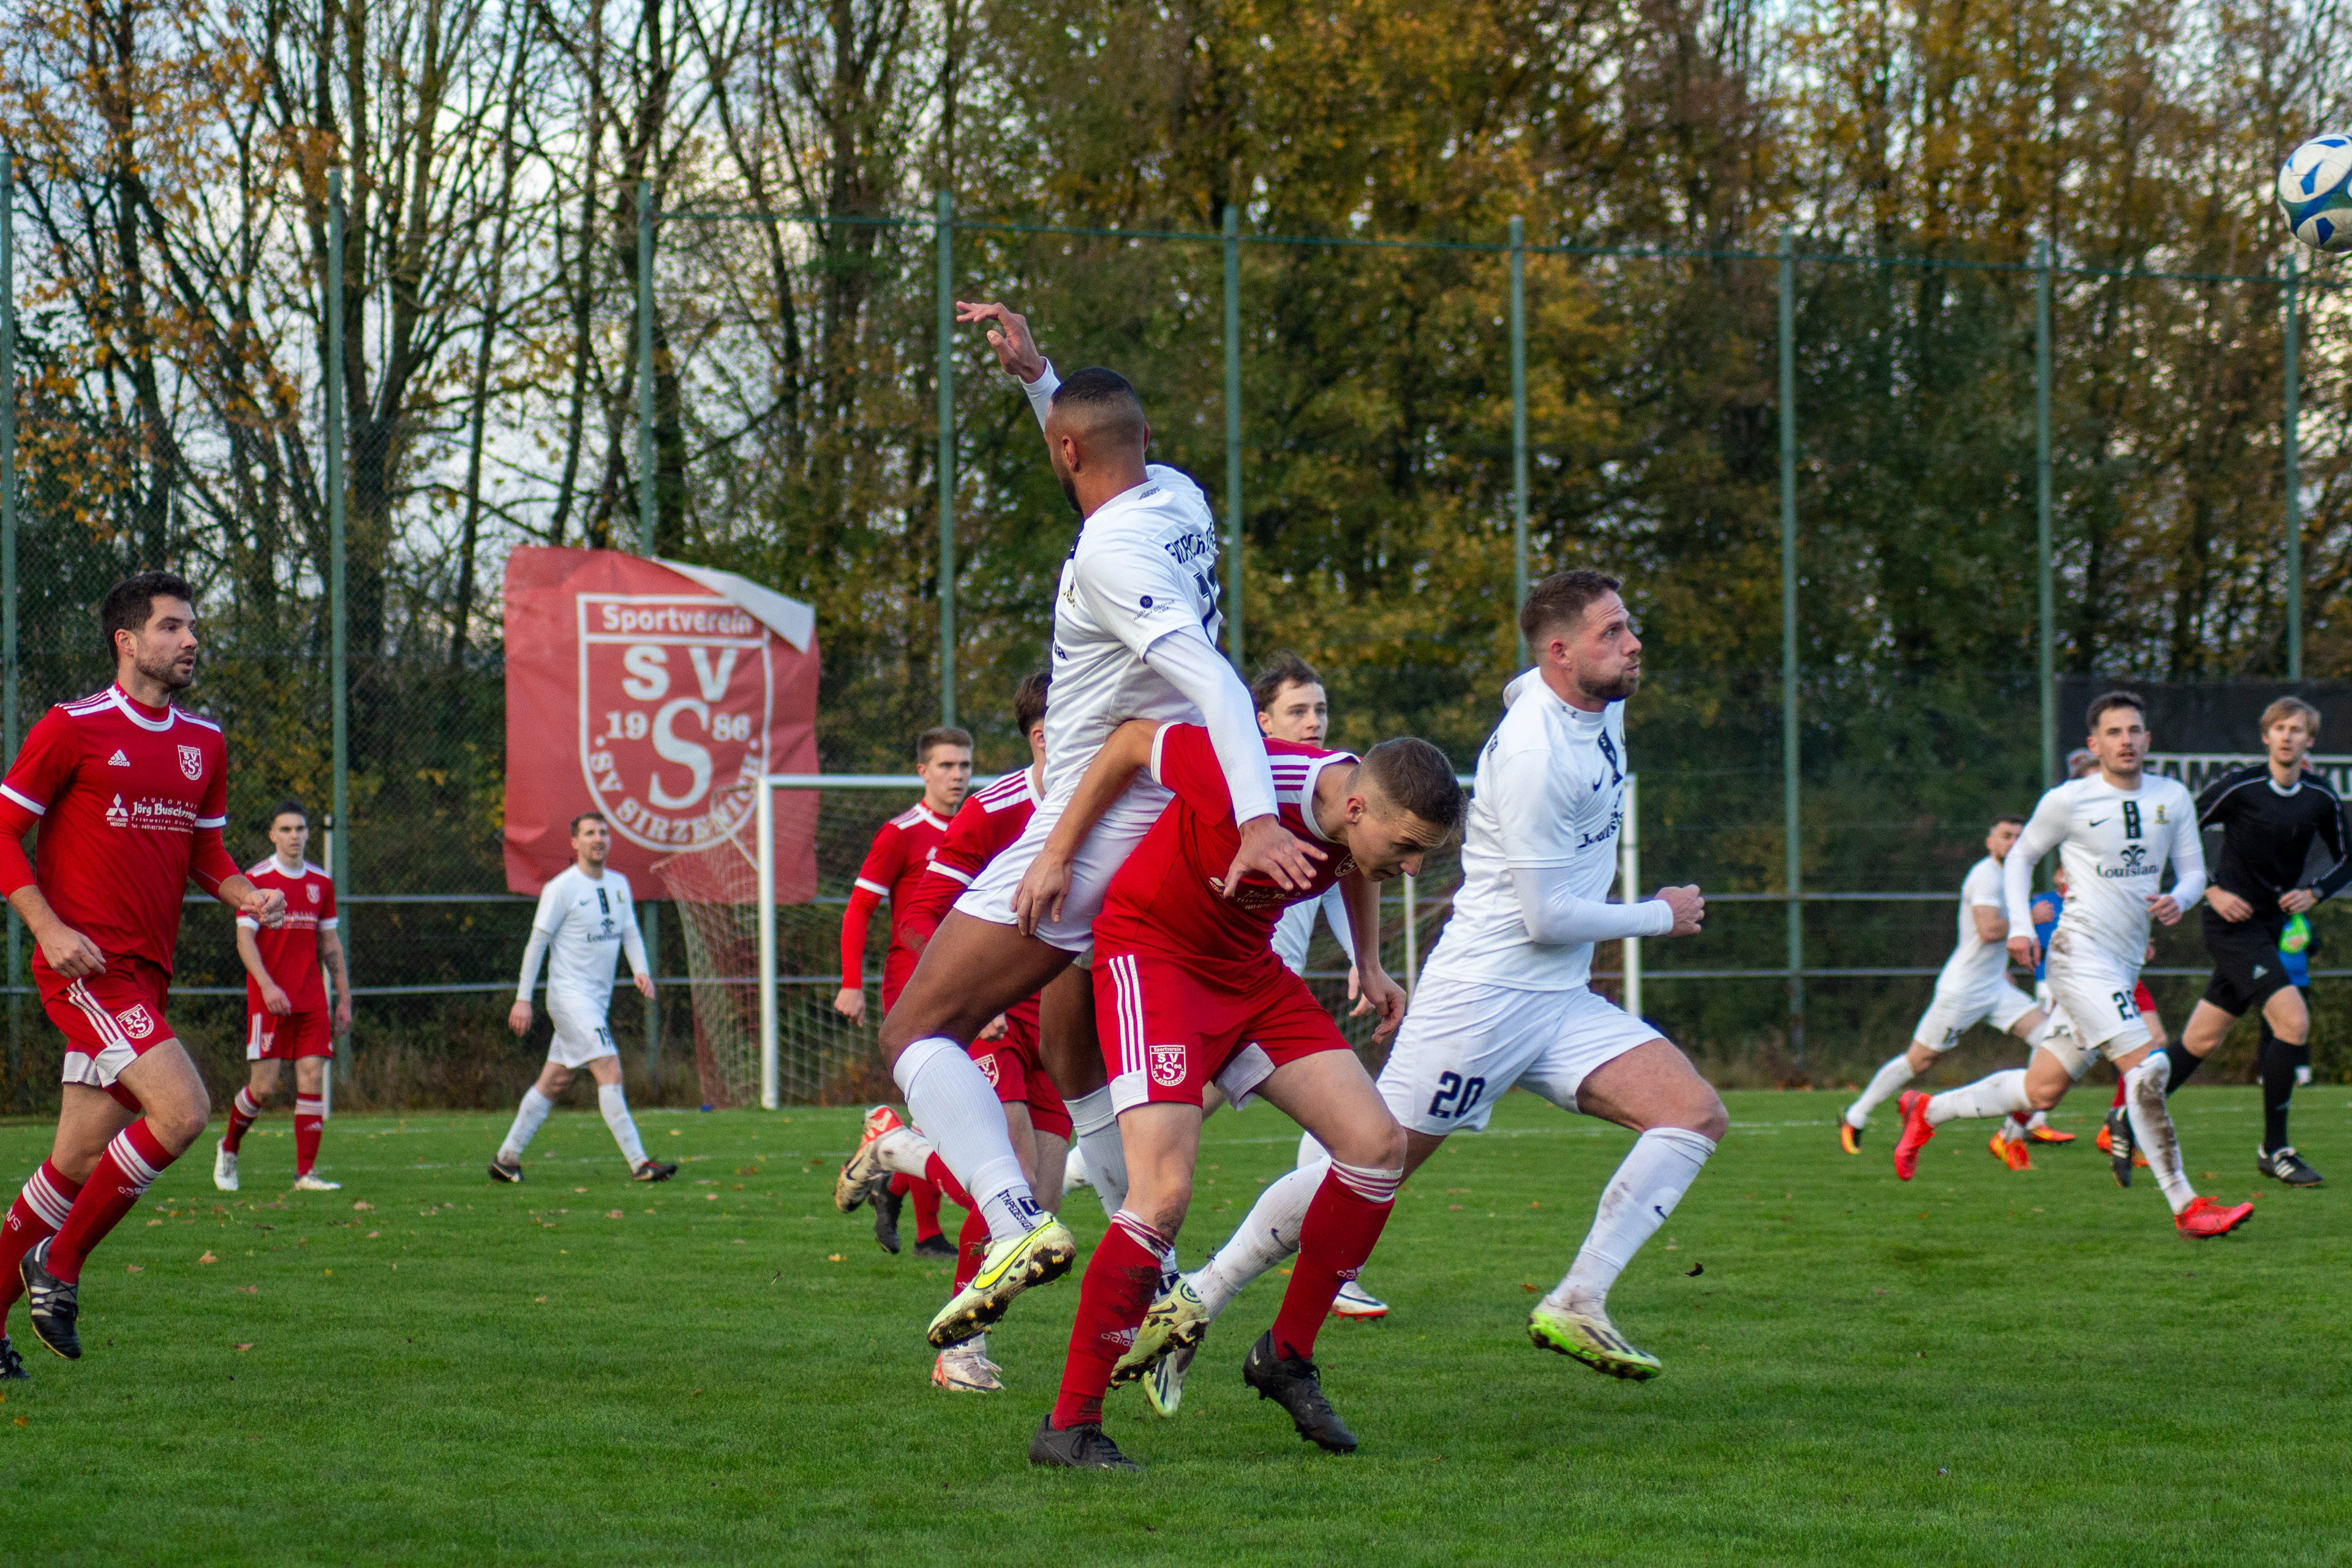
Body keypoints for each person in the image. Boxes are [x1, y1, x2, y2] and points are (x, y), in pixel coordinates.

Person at [843, 302, 1321, 1353]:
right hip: (1158, 836)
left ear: (1070, 452)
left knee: (914, 1031)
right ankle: (1155, 1275)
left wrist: (1251, 821)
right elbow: (1090, 452)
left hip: (1095, 836)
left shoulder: (1110, 553)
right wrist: (1037, 375)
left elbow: (1214, 681)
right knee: (1077, 1066)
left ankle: (1015, 1221)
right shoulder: (1177, 497)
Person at [1127, 570, 1721, 1406]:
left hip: (1557, 1001)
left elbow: (1539, 690)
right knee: (1373, 1167)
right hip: (1484, 1000)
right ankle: (1201, 1294)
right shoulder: (1530, 756)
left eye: (1628, 627)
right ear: (1561, 654)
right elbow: (1547, 917)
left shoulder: (1593, 706)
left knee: (1693, 1114)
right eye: (1611, 633)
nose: (1632, 645)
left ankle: (1579, 1299)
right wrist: (1659, 916)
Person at [1019, 715, 1452, 1468]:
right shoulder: (1256, 773)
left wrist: (1371, 962)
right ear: (1357, 808)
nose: (1412, 868)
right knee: (1162, 1196)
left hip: (1247, 974)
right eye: (1406, 848)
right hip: (1154, 961)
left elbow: (1355, 866)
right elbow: (1127, 741)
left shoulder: (1355, 810)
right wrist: (1056, 856)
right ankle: (1069, 1424)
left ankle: (1284, 1354)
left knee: (1377, 1149)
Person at [0, 572, 288, 1366]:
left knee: (75, 1159)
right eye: (170, 628)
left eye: (192, 626)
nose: (190, 639)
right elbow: (2, 834)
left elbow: (205, 853)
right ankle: (56, 1268)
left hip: (145, 973)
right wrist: (48, 927)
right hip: (87, 970)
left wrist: (244, 892)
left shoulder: (206, 742)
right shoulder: (72, 728)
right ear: (127, 643)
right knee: (185, 1109)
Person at [1889, 693, 2252, 1238]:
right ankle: (2187, 1206)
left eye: (2134, 731)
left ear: (2148, 740)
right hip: (2078, 957)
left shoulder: (2172, 797)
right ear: (2094, 744)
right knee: (2149, 1067)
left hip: (2122, 964)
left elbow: (2194, 872)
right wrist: (2017, 926)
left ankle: (1927, 1111)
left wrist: (2182, 896)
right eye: (2113, 732)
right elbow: (2022, 857)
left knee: (2042, 1092)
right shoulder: (2069, 800)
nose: (2125, 740)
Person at [849, 673, 1073, 1393]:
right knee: (1002, 1174)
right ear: (1043, 733)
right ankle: (960, 1353)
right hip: (985, 1017)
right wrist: (974, 987)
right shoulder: (995, 808)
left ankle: (895, 1146)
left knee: (1039, 1202)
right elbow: (918, 917)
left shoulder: (1106, 807)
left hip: (1059, 1025)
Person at [2163, 698, 2346, 1186]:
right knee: (2293, 1020)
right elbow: (2181, 833)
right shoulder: (2240, 786)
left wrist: (2315, 892)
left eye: (2298, 730)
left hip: (2269, 928)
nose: (2288, 737)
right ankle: (2276, 1149)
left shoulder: (2320, 796)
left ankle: (2129, 1110)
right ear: (2266, 737)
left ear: (2310, 741)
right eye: (2279, 728)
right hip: (2229, 926)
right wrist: (2211, 890)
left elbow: (2347, 858)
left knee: (2201, 1038)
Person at [1839, 815, 2067, 1169]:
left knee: (2051, 1041)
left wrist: (2002, 969)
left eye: (2020, 837)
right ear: (1989, 841)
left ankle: (2010, 1138)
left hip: (1994, 985)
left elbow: (1990, 942)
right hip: (1963, 990)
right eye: (2006, 836)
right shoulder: (1985, 875)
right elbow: (1989, 930)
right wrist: (2033, 918)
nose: (2013, 843)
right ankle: (1856, 1116)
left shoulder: (2014, 877)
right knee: (1920, 1060)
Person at [835, 728, 974, 1257]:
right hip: (911, 985)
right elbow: (859, 909)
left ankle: (893, 1183)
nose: (957, 775)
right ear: (923, 772)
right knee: (936, 1099)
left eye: (964, 765)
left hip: (965, 981)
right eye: (946, 765)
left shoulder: (977, 827)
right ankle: (927, 1233)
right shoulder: (901, 833)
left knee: (950, 1105)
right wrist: (852, 983)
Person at [491, 812, 677, 1184]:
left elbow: (630, 934)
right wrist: (523, 999)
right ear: (574, 843)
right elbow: (537, 943)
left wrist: (641, 970)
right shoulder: (562, 888)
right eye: (589, 833)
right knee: (610, 1069)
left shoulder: (619, 885)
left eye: (603, 833)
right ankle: (640, 1163)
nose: (598, 839)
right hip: (569, 998)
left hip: (595, 1001)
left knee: (554, 1082)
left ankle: (506, 1159)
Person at [214, 800, 353, 1192]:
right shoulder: (254, 881)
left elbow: (330, 945)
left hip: (310, 997)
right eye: (286, 829)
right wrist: (267, 984)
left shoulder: (321, 883)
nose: (295, 836)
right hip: (269, 997)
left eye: (300, 829)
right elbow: (245, 941)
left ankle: (305, 1173)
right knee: (264, 1088)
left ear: (309, 833)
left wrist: (344, 998)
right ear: (273, 835)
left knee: (312, 1076)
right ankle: (228, 1147)